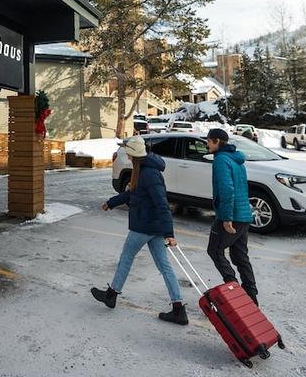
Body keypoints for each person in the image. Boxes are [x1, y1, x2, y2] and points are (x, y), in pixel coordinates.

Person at [90, 136, 188, 326]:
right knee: (164, 266)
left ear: (133, 153)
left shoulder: (148, 173)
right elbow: (133, 193)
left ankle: (111, 295)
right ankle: (178, 309)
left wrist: (170, 233)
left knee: (126, 259)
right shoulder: (142, 169)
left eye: (127, 150)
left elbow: (162, 203)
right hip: (152, 226)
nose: (125, 153)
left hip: (145, 226)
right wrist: (111, 203)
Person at [205, 128, 259, 306]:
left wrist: (226, 219)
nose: (207, 144)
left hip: (231, 216)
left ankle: (233, 289)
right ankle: (251, 295)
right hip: (244, 215)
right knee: (240, 257)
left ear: (217, 141)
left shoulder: (221, 160)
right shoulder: (237, 159)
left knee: (214, 251)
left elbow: (227, 190)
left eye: (209, 141)